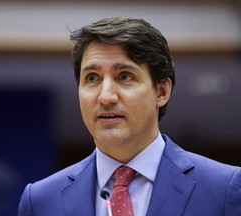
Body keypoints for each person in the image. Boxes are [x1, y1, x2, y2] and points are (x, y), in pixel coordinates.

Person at [18, 17, 241, 216]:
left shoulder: (223, 189)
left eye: (124, 76)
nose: (105, 97)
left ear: (162, 91)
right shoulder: (40, 201)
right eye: (92, 78)